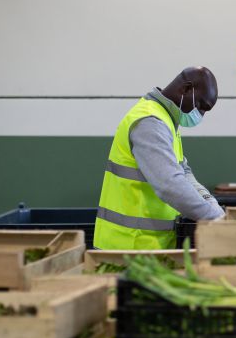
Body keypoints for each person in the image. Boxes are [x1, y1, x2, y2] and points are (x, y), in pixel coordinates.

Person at [93, 67, 224, 250]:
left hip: (149, 246)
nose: (200, 115)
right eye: (201, 106)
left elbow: (183, 171)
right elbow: (170, 185)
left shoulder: (166, 121)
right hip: (129, 247)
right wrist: (216, 219)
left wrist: (209, 200)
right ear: (186, 89)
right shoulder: (150, 122)